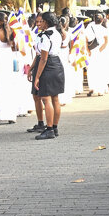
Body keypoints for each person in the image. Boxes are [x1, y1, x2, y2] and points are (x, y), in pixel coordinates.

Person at [28, 11, 65, 140]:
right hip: (57, 64)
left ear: (46, 22)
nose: (39, 23)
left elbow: (43, 58)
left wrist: (37, 76)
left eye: (41, 21)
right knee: (55, 98)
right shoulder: (57, 33)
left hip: (48, 65)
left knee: (46, 98)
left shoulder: (45, 36)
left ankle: (49, 129)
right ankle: (54, 127)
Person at [85, 13, 109, 96]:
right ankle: (100, 90)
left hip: (91, 52)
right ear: (102, 20)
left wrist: (88, 50)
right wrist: (100, 50)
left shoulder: (89, 27)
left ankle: (92, 88)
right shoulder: (104, 29)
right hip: (101, 52)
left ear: (94, 19)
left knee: (91, 70)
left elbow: (85, 39)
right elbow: (106, 42)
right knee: (100, 70)